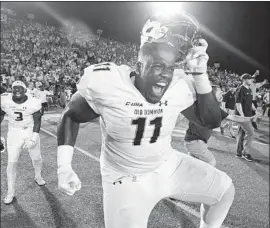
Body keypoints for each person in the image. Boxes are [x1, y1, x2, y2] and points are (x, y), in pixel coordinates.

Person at [56, 13, 235, 228]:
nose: (165, 76)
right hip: (124, 177)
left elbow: (211, 121)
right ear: (139, 66)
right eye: (158, 66)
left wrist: (200, 73)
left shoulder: (179, 83)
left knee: (224, 191)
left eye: (169, 68)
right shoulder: (110, 83)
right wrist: (63, 166)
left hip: (167, 165)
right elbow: (71, 115)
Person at [185, 86, 256, 167]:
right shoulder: (201, 105)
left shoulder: (213, 107)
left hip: (196, 142)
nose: (222, 93)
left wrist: (249, 119)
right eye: (220, 92)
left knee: (191, 165)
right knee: (211, 162)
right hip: (195, 142)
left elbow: (233, 117)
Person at [0, 80, 46, 205]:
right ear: (11, 89)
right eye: (15, 88)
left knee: (36, 158)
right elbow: (1, 115)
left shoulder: (33, 101)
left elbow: (37, 120)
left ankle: (38, 175)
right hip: (13, 132)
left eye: (20, 88)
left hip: (29, 130)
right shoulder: (5, 100)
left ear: (25, 90)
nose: (17, 90)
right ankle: (10, 192)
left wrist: (34, 138)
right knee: (11, 163)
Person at [235, 73, 258, 161]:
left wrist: (255, 109)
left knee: (241, 133)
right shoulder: (240, 89)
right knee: (251, 132)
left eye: (251, 79)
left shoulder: (249, 89)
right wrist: (242, 116)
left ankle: (239, 153)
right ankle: (246, 153)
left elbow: (250, 102)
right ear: (244, 80)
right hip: (242, 116)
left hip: (248, 115)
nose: (251, 80)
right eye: (249, 79)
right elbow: (238, 103)